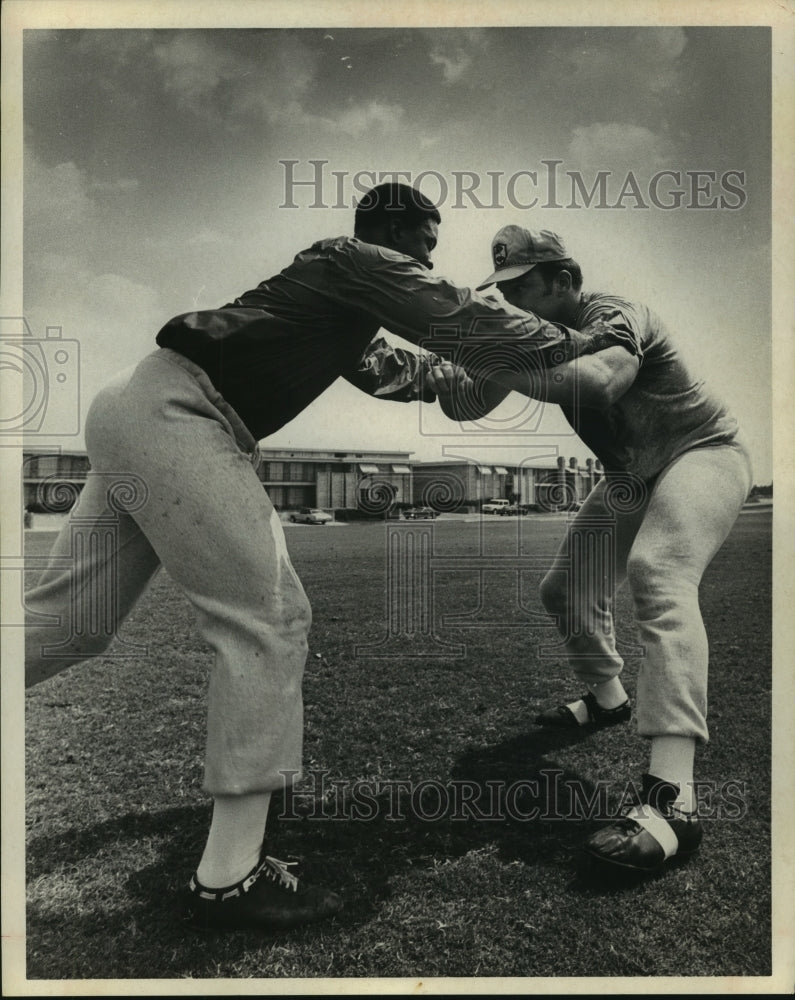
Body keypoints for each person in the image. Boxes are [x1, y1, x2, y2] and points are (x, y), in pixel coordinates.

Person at [24, 187, 610, 933]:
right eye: (426, 241)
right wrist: (570, 341)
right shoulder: (350, 258)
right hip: (178, 413)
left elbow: (442, 386)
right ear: (396, 231)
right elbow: (458, 313)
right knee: (270, 619)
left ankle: (233, 858)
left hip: (137, 413)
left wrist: (512, 367)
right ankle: (228, 880)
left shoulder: (345, 316)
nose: (430, 256)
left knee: (70, 625)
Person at [425, 224, 752, 877]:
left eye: (523, 288)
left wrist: (498, 353)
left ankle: (672, 804)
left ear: (564, 281)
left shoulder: (611, 314)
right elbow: (466, 397)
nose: (512, 302)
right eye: (503, 291)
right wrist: (396, 362)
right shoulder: (526, 337)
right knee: (565, 590)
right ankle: (608, 698)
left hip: (701, 453)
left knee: (658, 571)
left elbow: (601, 380)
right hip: (633, 476)